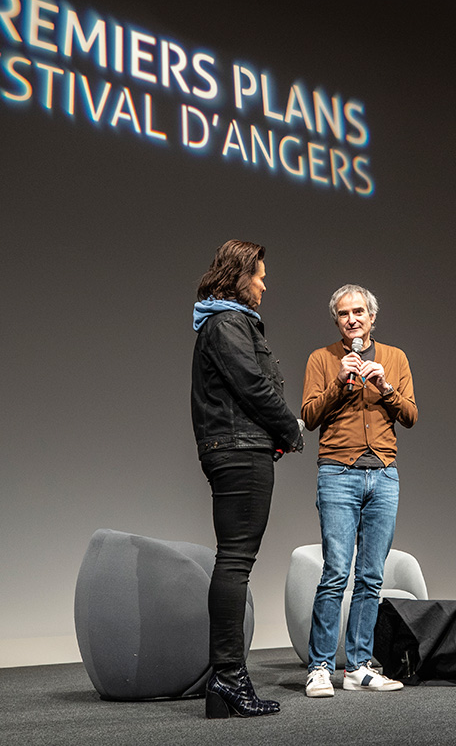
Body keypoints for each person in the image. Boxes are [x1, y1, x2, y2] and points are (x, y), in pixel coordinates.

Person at [191, 240, 305, 717]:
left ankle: (225, 684)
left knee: (234, 559)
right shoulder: (228, 322)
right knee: (235, 561)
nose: (264, 283)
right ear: (239, 276)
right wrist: (290, 427)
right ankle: (228, 679)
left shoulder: (221, 322)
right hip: (239, 448)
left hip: (236, 446)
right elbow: (252, 384)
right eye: (258, 275)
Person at [299, 284, 417, 697]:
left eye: (360, 312)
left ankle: (360, 666)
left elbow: (411, 416)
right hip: (337, 473)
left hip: (383, 474)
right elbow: (309, 416)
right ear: (337, 320)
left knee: (371, 576)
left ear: (372, 317)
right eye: (345, 313)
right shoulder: (322, 358)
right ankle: (319, 667)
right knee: (335, 573)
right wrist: (341, 382)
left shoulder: (395, 358)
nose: (353, 319)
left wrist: (385, 387)